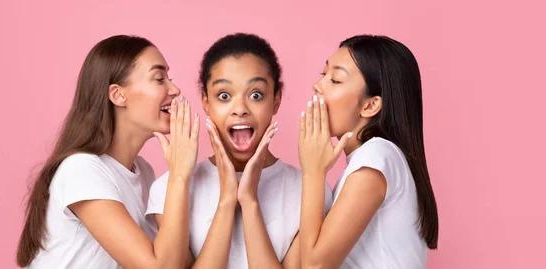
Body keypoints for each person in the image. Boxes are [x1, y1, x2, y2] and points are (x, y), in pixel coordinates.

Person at [146, 33, 332, 269]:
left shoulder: (311, 191)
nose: (240, 109)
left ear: (276, 99)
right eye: (224, 96)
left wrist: (250, 201)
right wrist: (226, 200)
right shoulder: (169, 189)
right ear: (205, 101)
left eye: (256, 95)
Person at [16, 35, 199, 269]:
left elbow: (178, 261)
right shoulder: (82, 170)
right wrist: (179, 176)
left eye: (169, 78)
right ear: (118, 95)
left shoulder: (143, 172)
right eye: (159, 78)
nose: (175, 89)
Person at [298, 34, 439, 269]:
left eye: (335, 80)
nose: (317, 86)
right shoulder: (372, 160)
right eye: (324, 74)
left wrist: (312, 171)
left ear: (370, 105)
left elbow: (315, 265)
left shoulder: (377, 156)